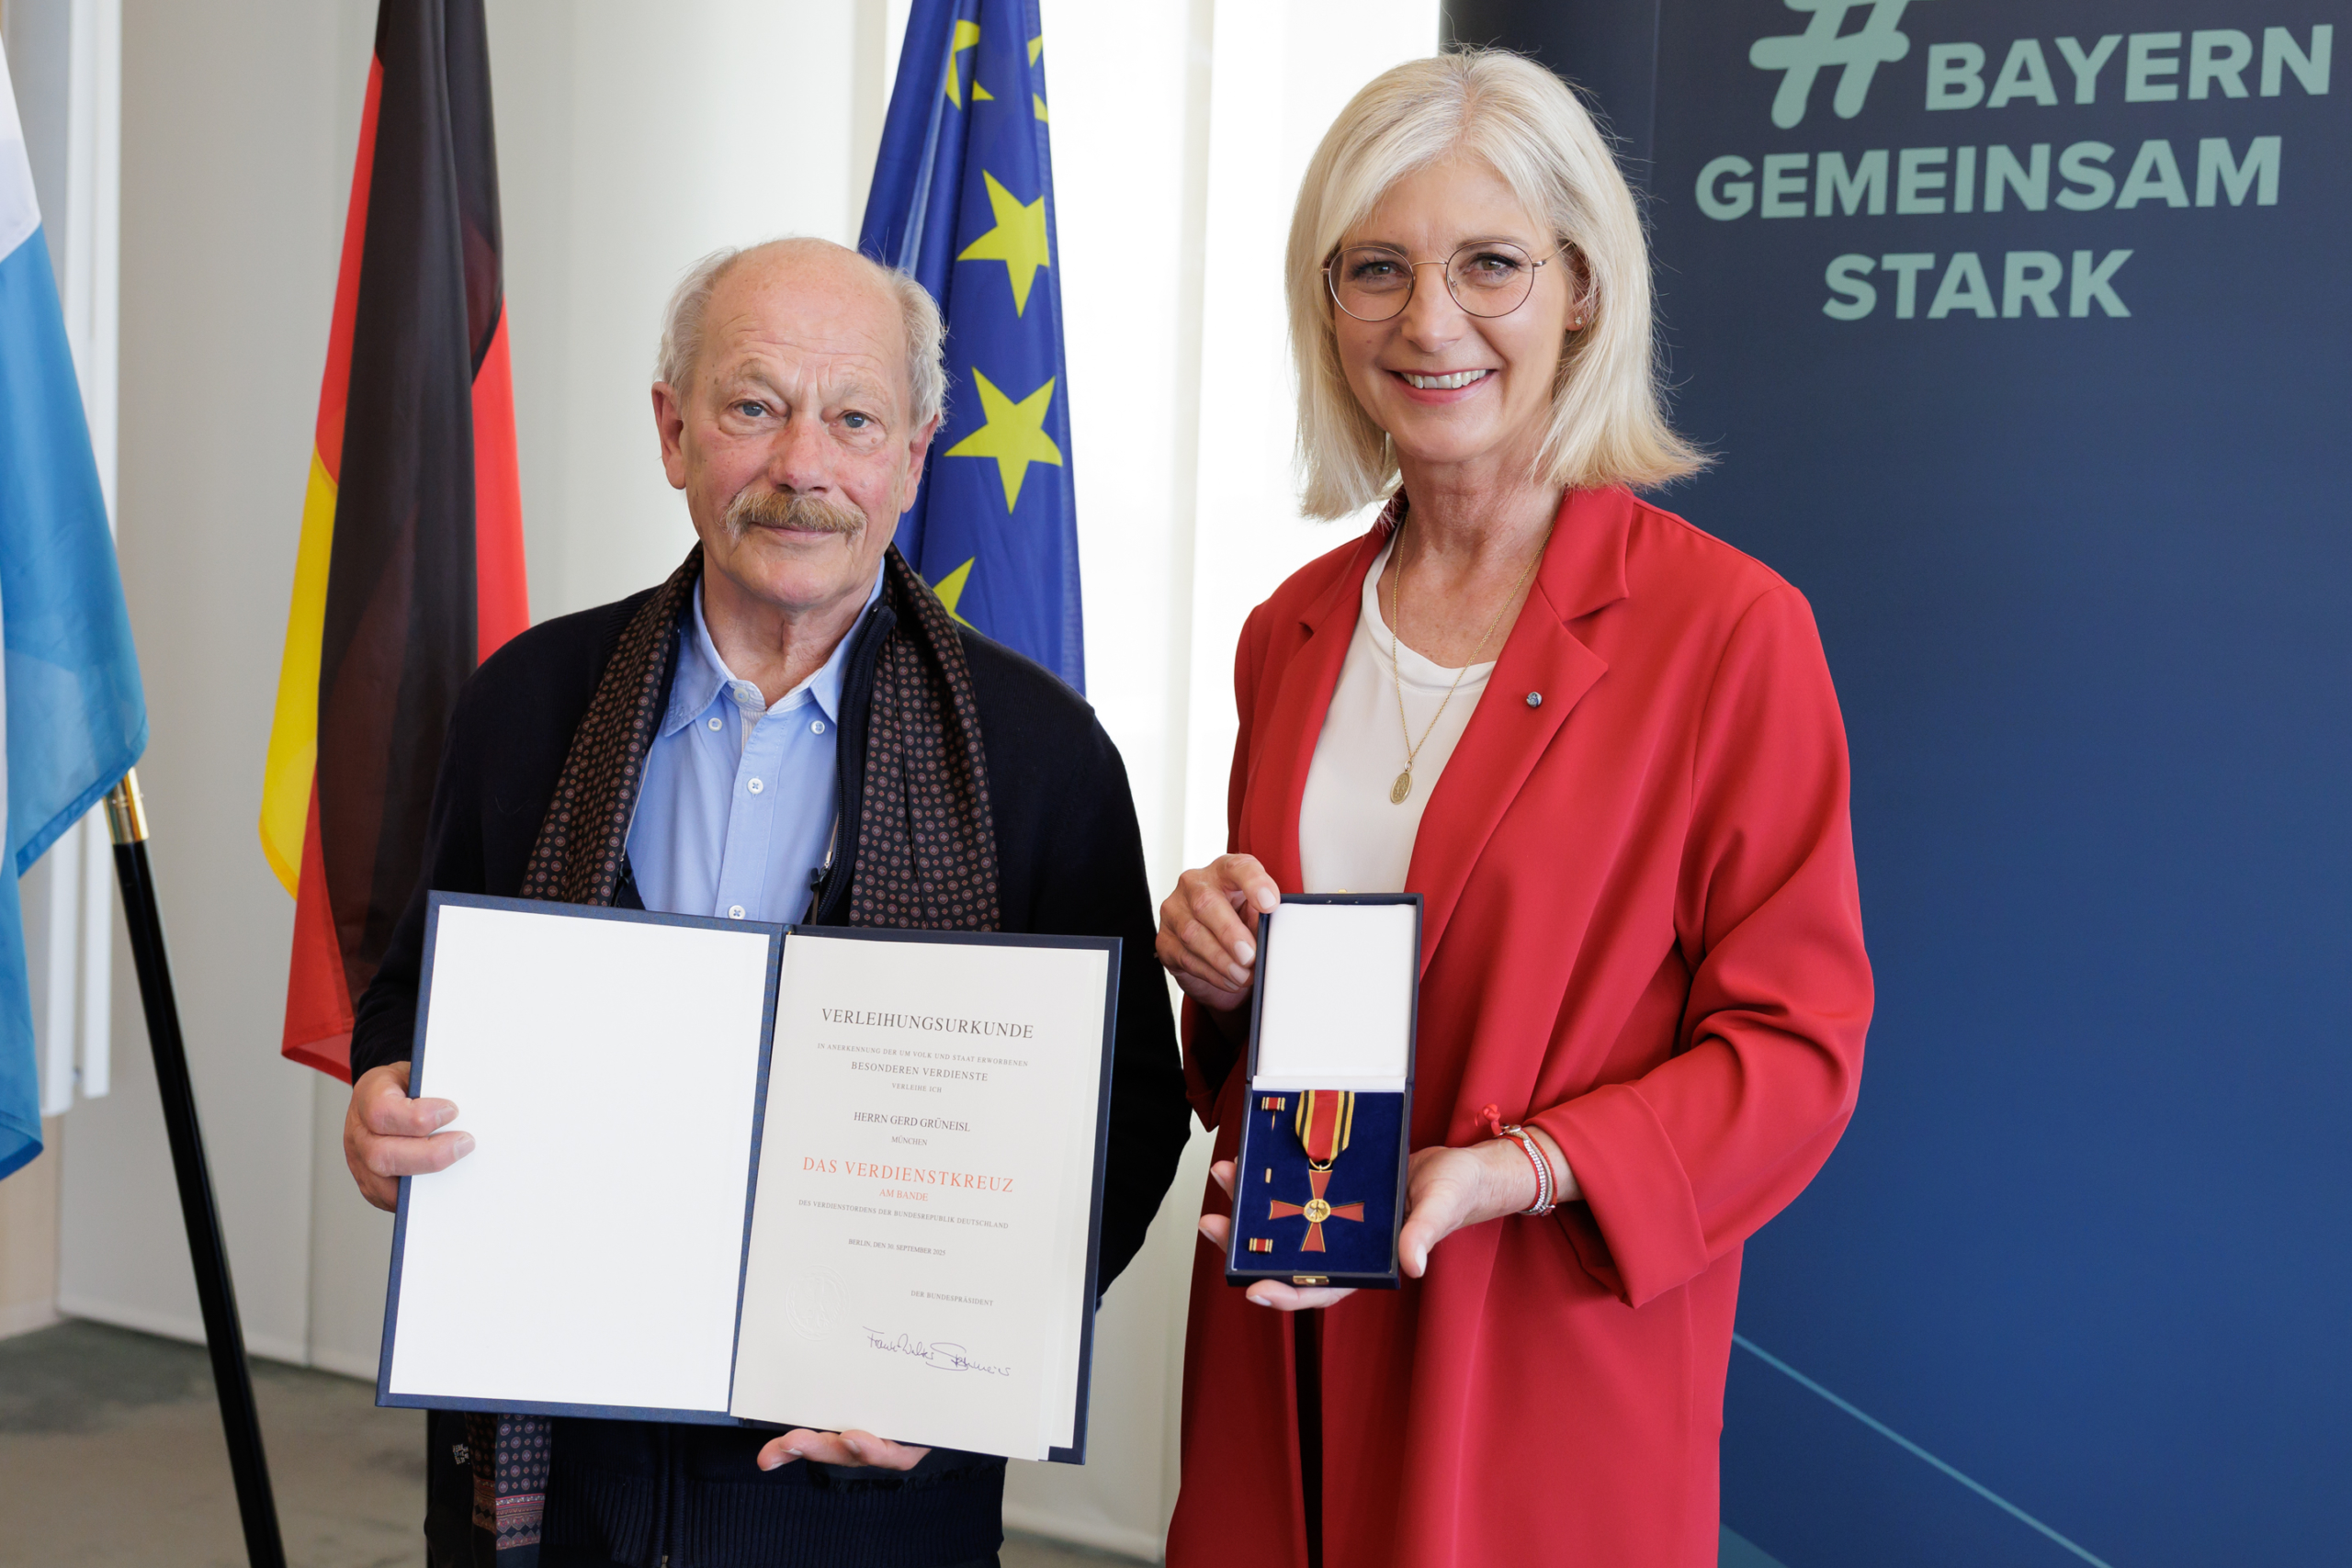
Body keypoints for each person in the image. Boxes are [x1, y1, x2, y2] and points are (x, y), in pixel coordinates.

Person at [339, 237, 1191, 1568]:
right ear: (673, 433)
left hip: (863, 1497)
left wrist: (970, 1359)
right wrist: (385, 1094)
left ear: (914, 457)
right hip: (564, 1478)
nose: (803, 464)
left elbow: (1128, 1117)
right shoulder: (525, 708)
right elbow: (411, 997)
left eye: (852, 418)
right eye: (752, 407)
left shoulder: (1039, 758)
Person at [1157, 51, 1872, 1568]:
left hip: (1537, 1358)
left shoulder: (1728, 634)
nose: (1431, 322)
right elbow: (1276, 1039)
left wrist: (1520, 1167)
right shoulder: (1287, 630)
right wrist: (1223, 973)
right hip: (1279, 1354)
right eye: (1378, 270)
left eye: (1491, 264)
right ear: (1326, 303)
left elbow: (1796, 1052)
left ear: (1583, 293)